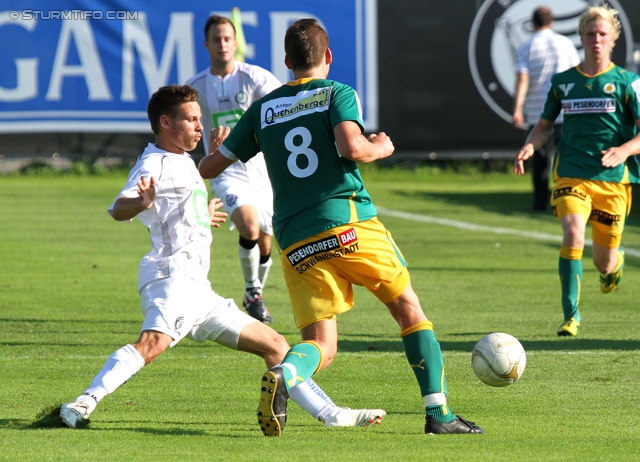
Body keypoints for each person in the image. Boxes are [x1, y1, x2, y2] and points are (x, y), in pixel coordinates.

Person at [199, 19, 484, 436]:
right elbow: (352, 146)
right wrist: (382, 147)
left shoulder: (263, 108)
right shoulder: (337, 92)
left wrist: (214, 146)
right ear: (328, 57)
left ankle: (286, 374)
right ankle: (439, 415)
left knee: (323, 346)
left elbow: (209, 167)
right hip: (348, 225)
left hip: (296, 241)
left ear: (286, 62)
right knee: (407, 309)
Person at [59, 84, 386, 429]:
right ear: (166, 123)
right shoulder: (155, 163)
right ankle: (83, 402)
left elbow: (177, 205)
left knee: (275, 345)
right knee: (152, 343)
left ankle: (332, 415)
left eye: (200, 118)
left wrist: (202, 213)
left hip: (199, 290)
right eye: (191, 119)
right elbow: (117, 208)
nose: (200, 125)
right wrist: (139, 203)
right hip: (173, 280)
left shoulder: (183, 161)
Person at [514, 5, 640, 337]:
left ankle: (616, 264)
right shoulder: (564, 82)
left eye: (602, 34)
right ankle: (571, 316)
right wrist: (530, 145)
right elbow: (542, 127)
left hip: (613, 180)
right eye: (590, 34)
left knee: (603, 262)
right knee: (572, 234)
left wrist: (624, 149)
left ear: (613, 38)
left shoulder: (628, 82)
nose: (596, 40)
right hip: (571, 172)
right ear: (581, 38)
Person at [185, 15, 280, 324]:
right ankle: (253, 294)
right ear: (206, 44)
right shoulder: (196, 88)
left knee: (266, 243)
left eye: (227, 38)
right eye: (216, 39)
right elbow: (183, 124)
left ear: (236, 43)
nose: (222, 44)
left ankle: (254, 293)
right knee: (249, 227)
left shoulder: (255, 78)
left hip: (261, 170)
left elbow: (279, 110)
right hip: (226, 170)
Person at [512, 6, 580, 211]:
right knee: (565, 158)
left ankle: (540, 202)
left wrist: (518, 108)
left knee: (539, 160)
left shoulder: (526, 47)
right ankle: (567, 199)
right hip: (564, 111)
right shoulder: (566, 43)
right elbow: (576, 75)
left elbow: (522, 78)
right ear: (551, 22)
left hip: (537, 112)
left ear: (532, 23)